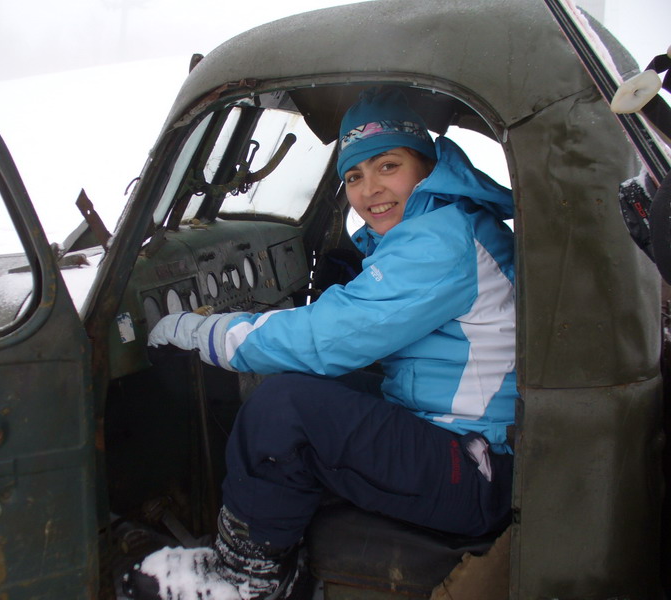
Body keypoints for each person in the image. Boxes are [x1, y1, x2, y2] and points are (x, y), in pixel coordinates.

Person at [123, 87, 517, 600]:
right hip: (473, 441)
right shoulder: (446, 223)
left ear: (425, 165)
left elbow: (330, 336)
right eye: (353, 176)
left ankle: (247, 578)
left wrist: (205, 333)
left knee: (284, 406)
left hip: (477, 468)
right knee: (315, 385)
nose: (370, 190)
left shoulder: (441, 240)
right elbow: (347, 326)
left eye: (388, 166)